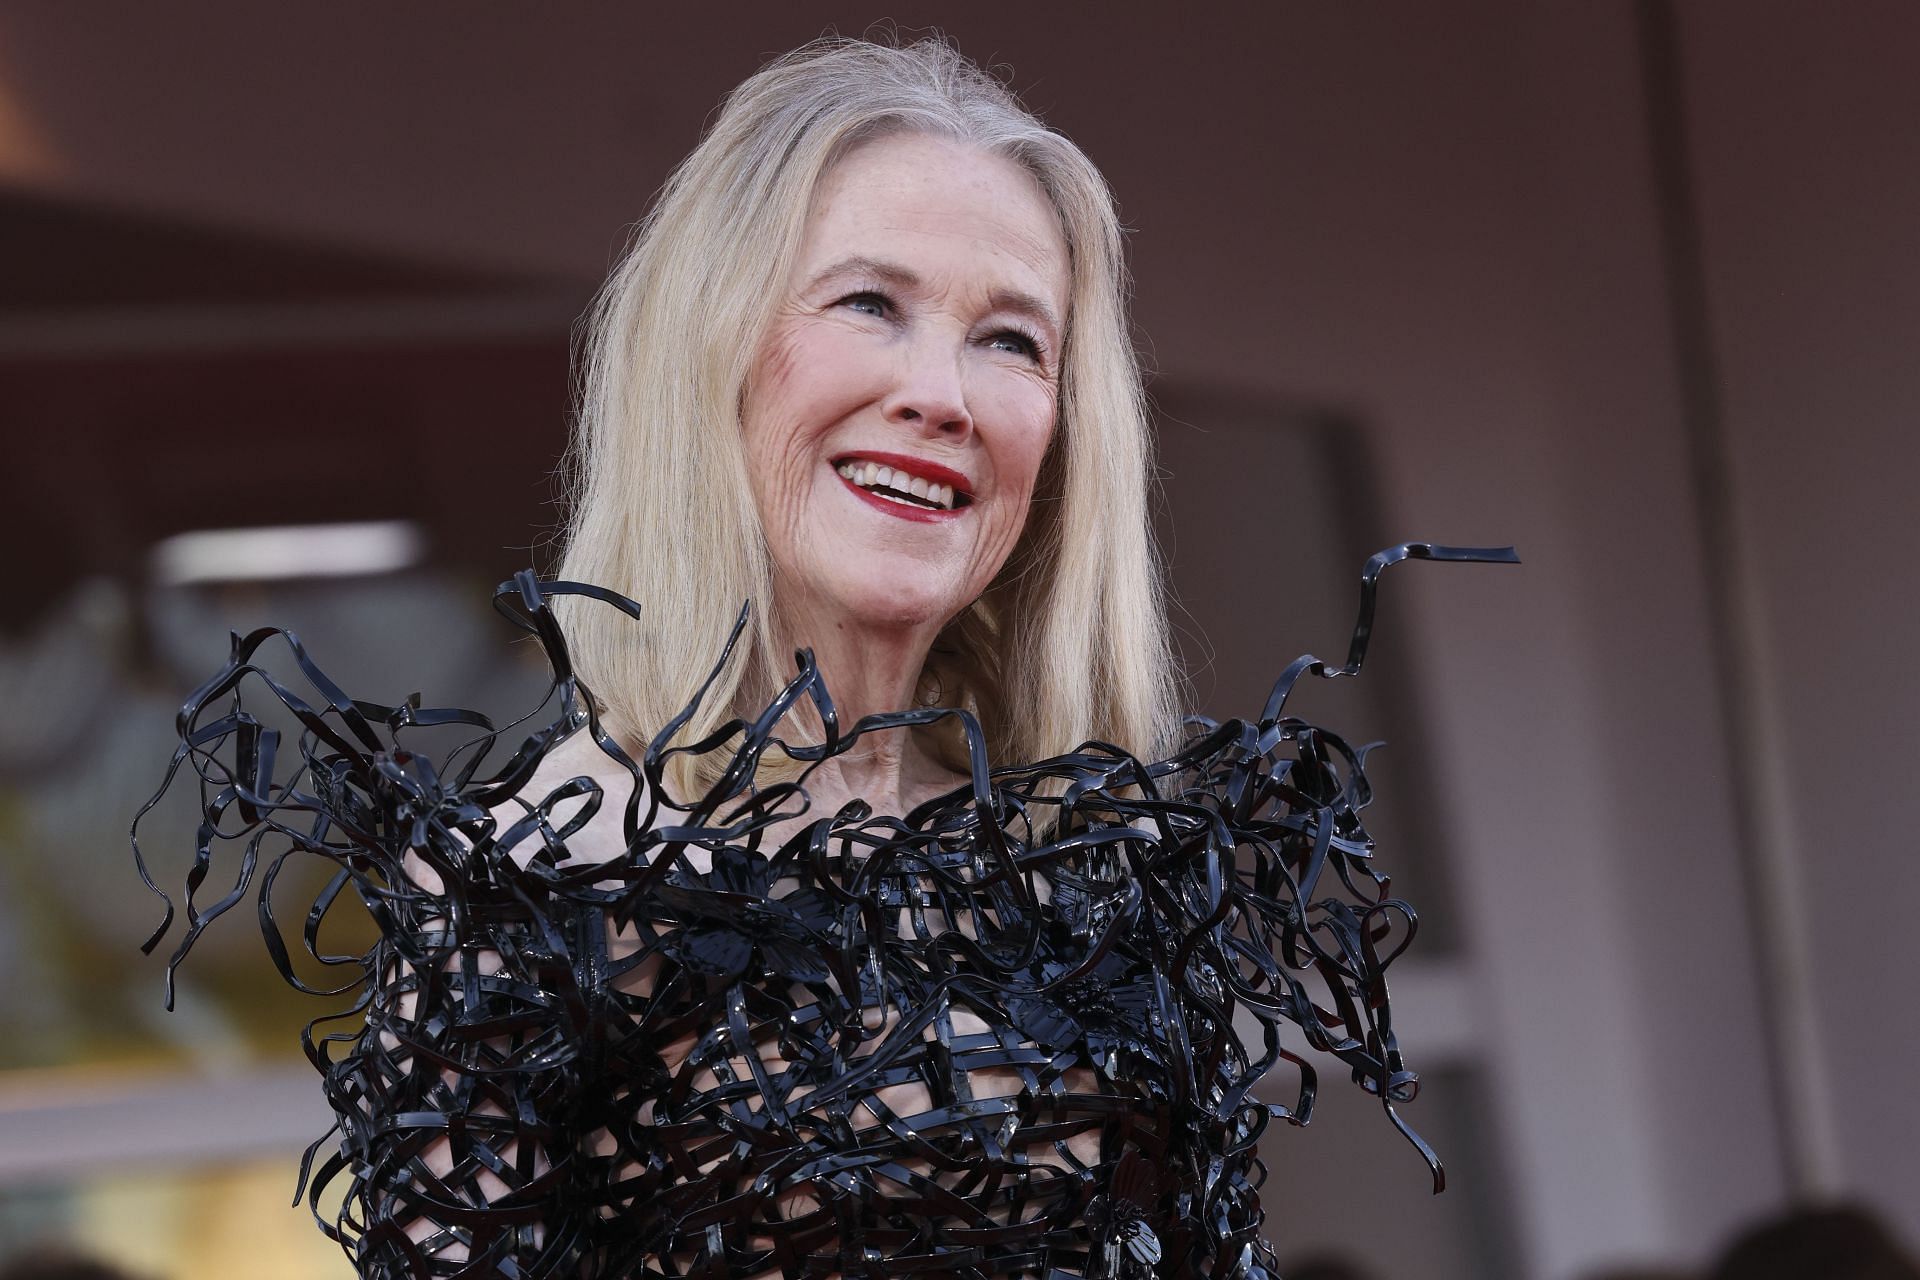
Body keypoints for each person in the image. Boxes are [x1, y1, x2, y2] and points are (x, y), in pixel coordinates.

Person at [137, 34, 1501, 1280]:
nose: (941, 393)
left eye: (1010, 339)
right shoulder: (538, 894)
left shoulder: (1106, 894)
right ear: (712, 356)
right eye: (869, 304)